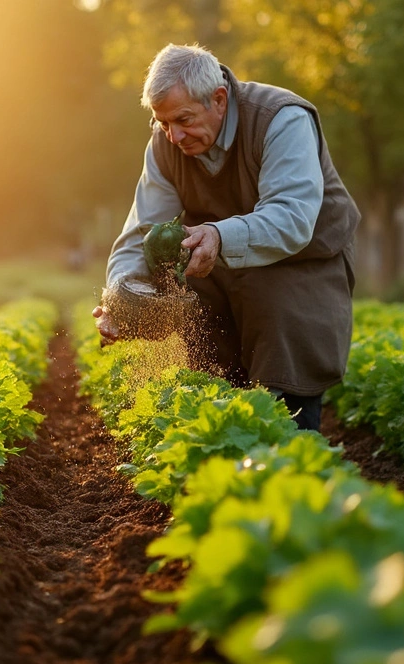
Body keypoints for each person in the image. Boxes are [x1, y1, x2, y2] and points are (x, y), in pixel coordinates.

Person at [93, 44, 360, 432]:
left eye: (183, 119)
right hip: (217, 273)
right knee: (215, 388)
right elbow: (142, 231)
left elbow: (292, 217)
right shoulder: (165, 143)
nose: (174, 135)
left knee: (285, 396)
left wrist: (219, 235)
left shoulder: (280, 119)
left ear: (218, 99)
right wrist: (121, 291)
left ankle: (293, 467)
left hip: (299, 267)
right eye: (163, 122)